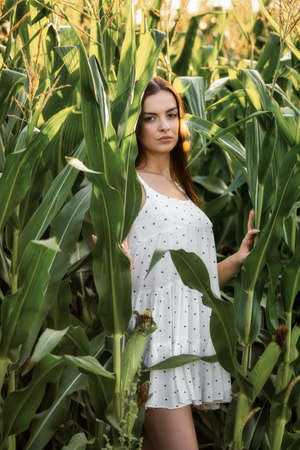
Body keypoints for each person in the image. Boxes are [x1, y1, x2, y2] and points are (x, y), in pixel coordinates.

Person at [126, 76, 259, 450]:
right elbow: (113, 262)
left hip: (185, 342)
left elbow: (194, 281)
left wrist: (238, 258)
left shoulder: (183, 190)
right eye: (150, 118)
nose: (165, 126)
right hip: (155, 347)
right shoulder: (130, 185)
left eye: (171, 114)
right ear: (134, 126)